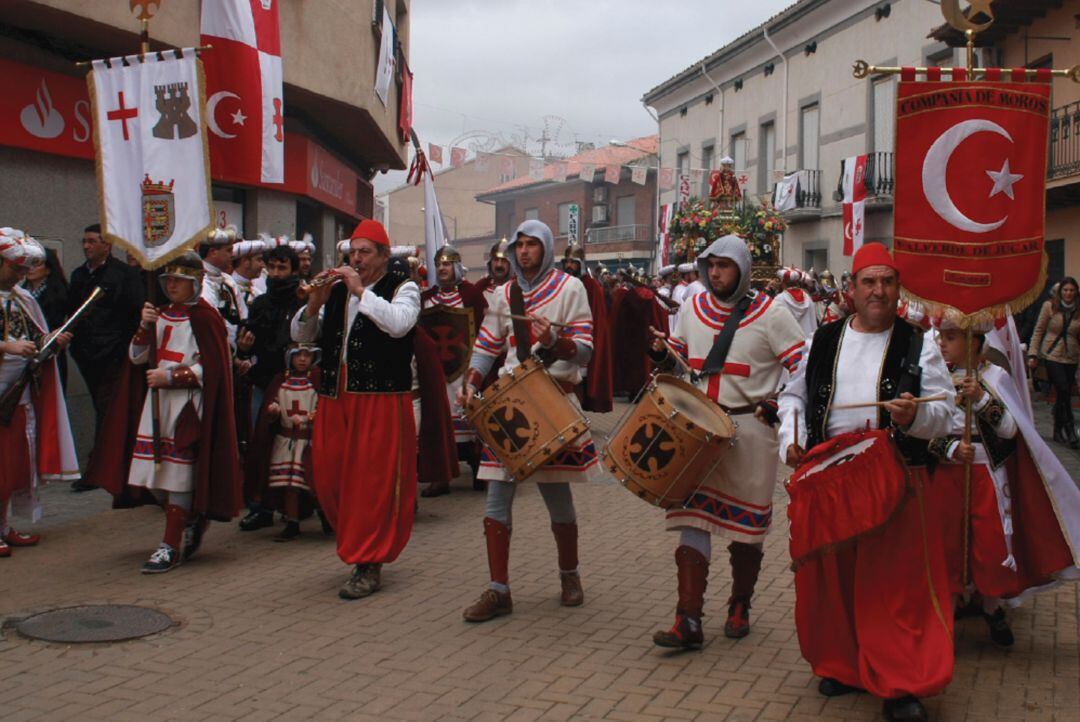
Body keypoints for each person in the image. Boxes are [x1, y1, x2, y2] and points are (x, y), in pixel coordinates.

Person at [777, 243, 957, 722]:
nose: (878, 291)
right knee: (833, 581)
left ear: (898, 288)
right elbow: (792, 397)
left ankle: (901, 684)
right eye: (869, 281)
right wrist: (789, 439)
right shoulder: (823, 338)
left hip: (895, 478)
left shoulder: (921, 344)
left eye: (888, 281)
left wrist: (917, 415)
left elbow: (947, 414)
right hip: (831, 479)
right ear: (851, 289)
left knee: (894, 588)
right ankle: (842, 664)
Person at [646, 235, 806, 648]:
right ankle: (689, 620)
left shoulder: (771, 314)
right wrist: (661, 354)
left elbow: (803, 365)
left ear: (742, 269)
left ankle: (740, 604)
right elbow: (678, 355)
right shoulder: (692, 309)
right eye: (710, 265)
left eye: (724, 265)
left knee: (745, 528)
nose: (715, 273)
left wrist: (778, 400)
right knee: (691, 519)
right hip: (698, 429)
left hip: (751, 430)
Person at [458, 219, 597, 622]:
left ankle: (569, 576)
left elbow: (585, 351)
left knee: (557, 495)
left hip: (553, 398)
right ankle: (498, 589)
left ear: (547, 249)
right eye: (519, 244)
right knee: (497, 493)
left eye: (532, 244)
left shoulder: (571, 290)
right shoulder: (505, 294)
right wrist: (471, 379)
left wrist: (555, 341)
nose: (523, 252)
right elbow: (487, 344)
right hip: (512, 403)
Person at [88, 252, 241, 573]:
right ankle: (189, 519)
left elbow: (213, 368)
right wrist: (144, 326)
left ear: (195, 283)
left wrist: (173, 376)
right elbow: (135, 357)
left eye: (179, 280)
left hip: (187, 406)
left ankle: (169, 545)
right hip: (156, 406)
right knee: (154, 478)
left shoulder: (206, 318)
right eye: (168, 280)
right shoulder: (157, 314)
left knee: (178, 476)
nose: (172, 285)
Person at [291, 219, 419, 600]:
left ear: (383, 255)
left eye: (365, 252)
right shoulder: (334, 291)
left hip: (378, 397)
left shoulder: (404, 287)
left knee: (371, 482)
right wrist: (312, 306)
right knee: (328, 475)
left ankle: (369, 561)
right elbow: (301, 337)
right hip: (335, 395)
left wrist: (361, 292)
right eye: (353, 252)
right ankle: (354, 541)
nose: (357, 258)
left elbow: (399, 326)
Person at [931, 321, 1080, 648]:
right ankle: (953, 605)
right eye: (941, 336)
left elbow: (1011, 430)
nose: (941, 343)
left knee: (990, 542)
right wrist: (951, 449)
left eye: (951, 337)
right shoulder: (936, 376)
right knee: (949, 542)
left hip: (987, 475)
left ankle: (992, 606)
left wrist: (982, 399)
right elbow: (927, 431)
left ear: (974, 342)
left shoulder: (995, 378)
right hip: (946, 473)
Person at [0, 230, 79, 558]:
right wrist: (7, 346)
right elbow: (14, 342)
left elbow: (36, 336)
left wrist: (52, 340)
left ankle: (3, 527)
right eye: (15, 268)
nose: (21, 275)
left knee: (12, 465)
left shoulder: (22, 298)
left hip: (17, 396)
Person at [67, 223, 145, 490]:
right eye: (84, 241)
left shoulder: (124, 275)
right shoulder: (79, 276)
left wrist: (124, 348)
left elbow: (134, 314)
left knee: (106, 411)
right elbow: (72, 312)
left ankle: (98, 469)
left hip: (113, 354)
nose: (87, 246)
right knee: (103, 410)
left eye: (92, 241)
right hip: (88, 355)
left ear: (106, 245)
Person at [236, 244, 304, 531]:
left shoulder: (303, 302)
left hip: (295, 384)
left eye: (282, 268)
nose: (276, 274)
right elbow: (248, 342)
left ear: (293, 269)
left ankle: (298, 505)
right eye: (272, 268)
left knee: (298, 445)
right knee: (260, 443)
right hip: (265, 381)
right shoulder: (261, 303)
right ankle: (260, 506)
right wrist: (242, 350)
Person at [420, 244, 487, 495]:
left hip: (466, 369)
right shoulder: (428, 298)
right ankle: (441, 477)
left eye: (447, 264)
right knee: (440, 422)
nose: (442, 268)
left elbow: (483, 331)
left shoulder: (470, 295)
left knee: (471, 424)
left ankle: (480, 471)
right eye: (439, 264)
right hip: (437, 372)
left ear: (456, 267)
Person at [246, 342, 320, 541]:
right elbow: (273, 407)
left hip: (309, 441)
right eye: (298, 355)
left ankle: (327, 517)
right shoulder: (281, 381)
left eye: (307, 355)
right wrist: (273, 411)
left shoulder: (316, 381)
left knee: (315, 484)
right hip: (285, 440)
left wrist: (307, 419)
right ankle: (292, 523)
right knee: (289, 486)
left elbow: (325, 410)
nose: (303, 359)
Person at [1027, 277, 1080, 448]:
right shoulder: (1049, 306)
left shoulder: (1078, 309)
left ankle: (1057, 429)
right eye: (1065, 290)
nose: (1068, 293)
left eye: (1072, 290)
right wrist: (1033, 354)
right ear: (1060, 291)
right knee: (1063, 388)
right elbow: (1039, 330)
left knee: (1064, 394)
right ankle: (1070, 428)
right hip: (1052, 355)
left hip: (1071, 356)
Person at [561, 242, 613, 412]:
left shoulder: (591, 286)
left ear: (580, 264)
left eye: (573, 262)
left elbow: (597, 317)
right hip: (563, 339)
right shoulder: (561, 283)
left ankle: (580, 415)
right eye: (567, 262)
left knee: (580, 380)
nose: (569, 266)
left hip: (582, 338)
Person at [22, 248, 70, 387]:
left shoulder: (58, 294)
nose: (31, 268)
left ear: (48, 269)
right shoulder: (22, 292)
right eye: (29, 264)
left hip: (49, 351)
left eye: (37, 264)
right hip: (25, 353)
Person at [199, 226, 246, 348]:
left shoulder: (229, 281)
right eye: (228, 250)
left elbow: (243, 316)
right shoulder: (198, 282)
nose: (232, 255)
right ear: (213, 252)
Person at [773, 267, 818, 338]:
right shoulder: (808, 298)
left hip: (788, 343)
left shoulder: (779, 299)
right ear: (797, 283)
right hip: (808, 342)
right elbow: (813, 323)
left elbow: (775, 324)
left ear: (783, 283)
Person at [231, 239, 267, 310]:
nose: (263, 265)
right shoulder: (229, 289)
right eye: (259, 260)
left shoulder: (256, 292)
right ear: (246, 262)